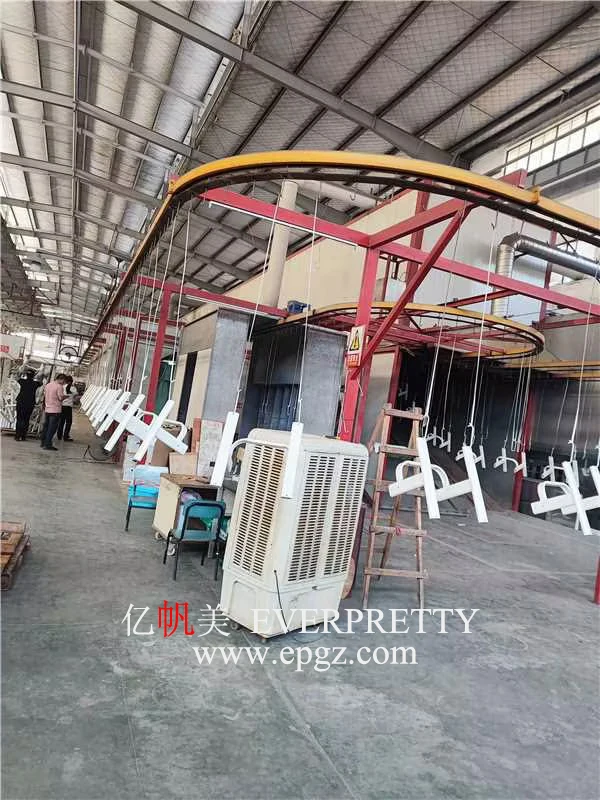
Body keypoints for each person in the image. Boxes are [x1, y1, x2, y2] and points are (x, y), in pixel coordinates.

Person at [40, 373, 67, 451]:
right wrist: (66, 396)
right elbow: (60, 398)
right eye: (64, 381)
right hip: (55, 410)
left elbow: (45, 396)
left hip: (47, 409)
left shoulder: (48, 385)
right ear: (61, 379)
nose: (64, 383)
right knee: (52, 428)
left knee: (46, 427)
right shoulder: (59, 386)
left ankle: (43, 443)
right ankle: (48, 444)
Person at [15, 367, 41, 441]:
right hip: (30, 403)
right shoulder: (36, 383)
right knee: (26, 420)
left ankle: (17, 436)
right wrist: (36, 376)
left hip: (20, 402)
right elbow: (41, 381)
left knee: (19, 419)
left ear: (26, 375)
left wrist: (22, 371)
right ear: (33, 376)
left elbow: (17, 376)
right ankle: (23, 436)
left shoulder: (22, 381)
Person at [57, 376, 78, 441]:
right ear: (71, 381)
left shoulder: (62, 387)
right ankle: (66, 436)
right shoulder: (73, 388)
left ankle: (59, 435)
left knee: (61, 421)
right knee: (68, 422)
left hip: (62, 406)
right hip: (68, 407)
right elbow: (76, 394)